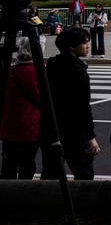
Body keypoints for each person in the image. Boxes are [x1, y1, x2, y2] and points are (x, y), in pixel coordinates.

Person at [42, 28, 99, 180]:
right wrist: (90, 136)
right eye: (84, 43)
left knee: (51, 173)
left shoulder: (52, 66)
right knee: (84, 174)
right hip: (74, 131)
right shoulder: (77, 71)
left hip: (52, 128)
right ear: (72, 46)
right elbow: (82, 106)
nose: (87, 46)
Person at [1, 37, 40, 179]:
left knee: (8, 164)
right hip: (28, 125)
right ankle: (23, 196)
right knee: (27, 164)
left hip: (9, 124)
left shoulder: (11, 70)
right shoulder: (34, 71)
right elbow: (38, 97)